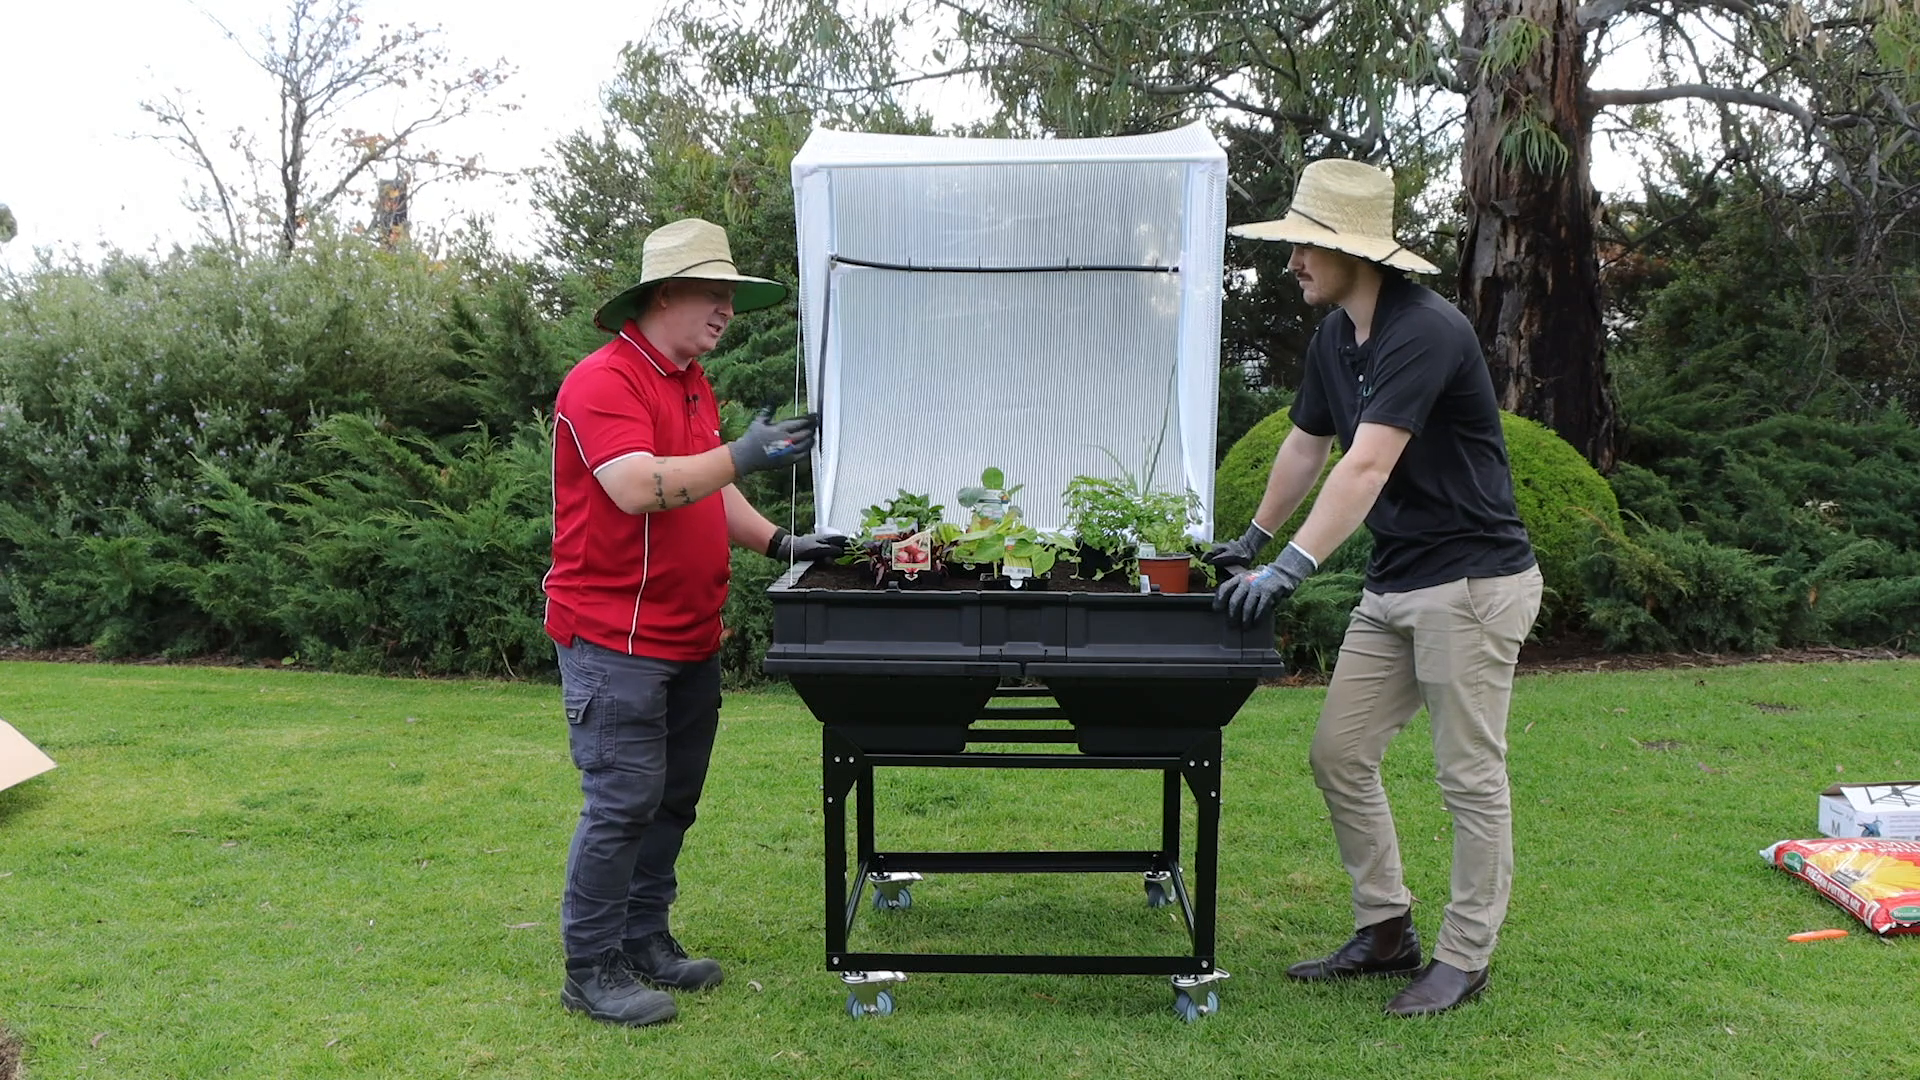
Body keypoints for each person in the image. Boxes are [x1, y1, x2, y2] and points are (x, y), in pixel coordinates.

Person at [1208, 159, 1543, 1017]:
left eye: (1308, 247)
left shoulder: (1424, 331)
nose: (1293, 263)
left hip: (1471, 584)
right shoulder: (1334, 339)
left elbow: (1365, 467)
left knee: (1469, 776)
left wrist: (1290, 568)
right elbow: (1306, 447)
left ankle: (1465, 958)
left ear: (1356, 251)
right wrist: (1252, 537)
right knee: (1338, 753)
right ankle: (1386, 928)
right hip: (1396, 582)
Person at [544, 218, 845, 1027]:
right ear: (664, 294)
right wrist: (744, 454)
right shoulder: (603, 382)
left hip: (686, 637)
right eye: (714, 293)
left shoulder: (689, 381)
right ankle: (591, 968)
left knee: (672, 799)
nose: (726, 310)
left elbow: (710, 486)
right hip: (615, 641)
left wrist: (783, 540)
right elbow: (640, 487)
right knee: (622, 801)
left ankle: (643, 940)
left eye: (731, 297)